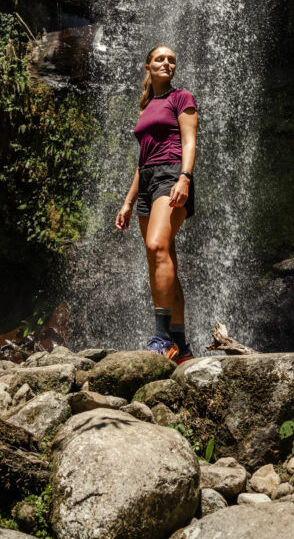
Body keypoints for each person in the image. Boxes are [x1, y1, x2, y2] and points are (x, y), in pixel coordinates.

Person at [115, 44, 198, 362]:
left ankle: (161, 337)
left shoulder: (182, 98)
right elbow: (142, 159)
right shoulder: (146, 106)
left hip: (171, 176)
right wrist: (127, 201)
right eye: (160, 58)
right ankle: (181, 345)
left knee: (156, 246)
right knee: (162, 260)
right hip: (148, 181)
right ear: (147, 66)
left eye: (172, 59)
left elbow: (190, 141)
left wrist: (185, 178)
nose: (167, 63)